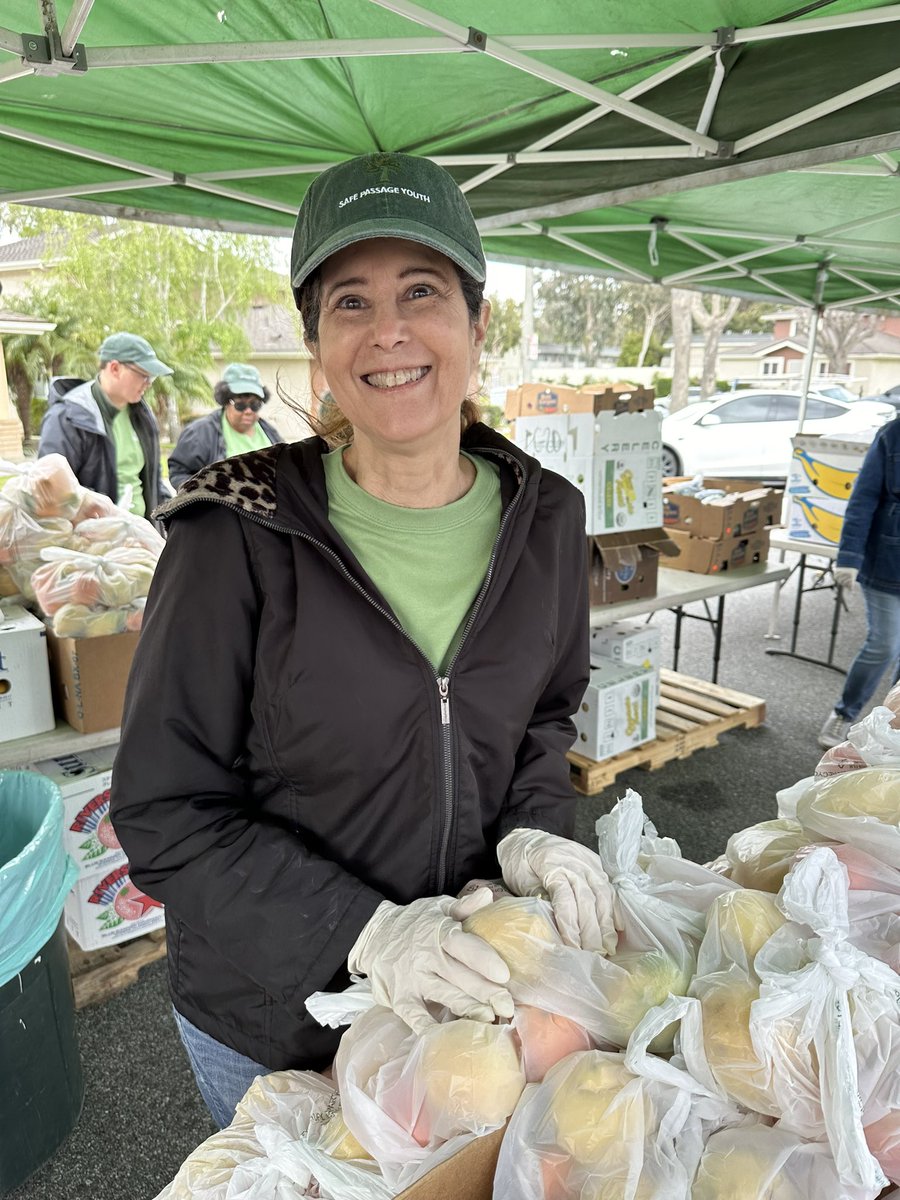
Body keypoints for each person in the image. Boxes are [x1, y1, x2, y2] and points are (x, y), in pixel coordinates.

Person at [110, 152, 600, 1130]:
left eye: (423, 292)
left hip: (472, 1003)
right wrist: (366, 932)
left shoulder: (547, 518)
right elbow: (166, 810)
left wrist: (535, 827)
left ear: (477, 324)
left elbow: (541, 721)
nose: (390, 333)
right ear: (315, 339)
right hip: (272, 1025)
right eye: (350, 303)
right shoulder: (236, 533)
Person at [818, 416, 900, 749]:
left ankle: (893, 727)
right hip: (885, 561)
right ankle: (844, 712)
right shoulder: (892, 435)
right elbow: (862, 499)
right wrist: (849, 558)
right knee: (884, 644)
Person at [39, 331, 172, 519]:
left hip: (141, 534)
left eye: (152, 378)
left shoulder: (142, 416)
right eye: (144, 375)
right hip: (94, 540)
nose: (148, 384)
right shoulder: (67, 418)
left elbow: (153, 480)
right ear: (115, 368)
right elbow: (52, 489)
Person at [167, 362, 283, 490]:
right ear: (226, 401)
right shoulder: (199, 434)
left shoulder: (271, 434)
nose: (248, 411)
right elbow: (179, 473)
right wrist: (203, 497)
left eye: (255, 405)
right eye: (240, 405)